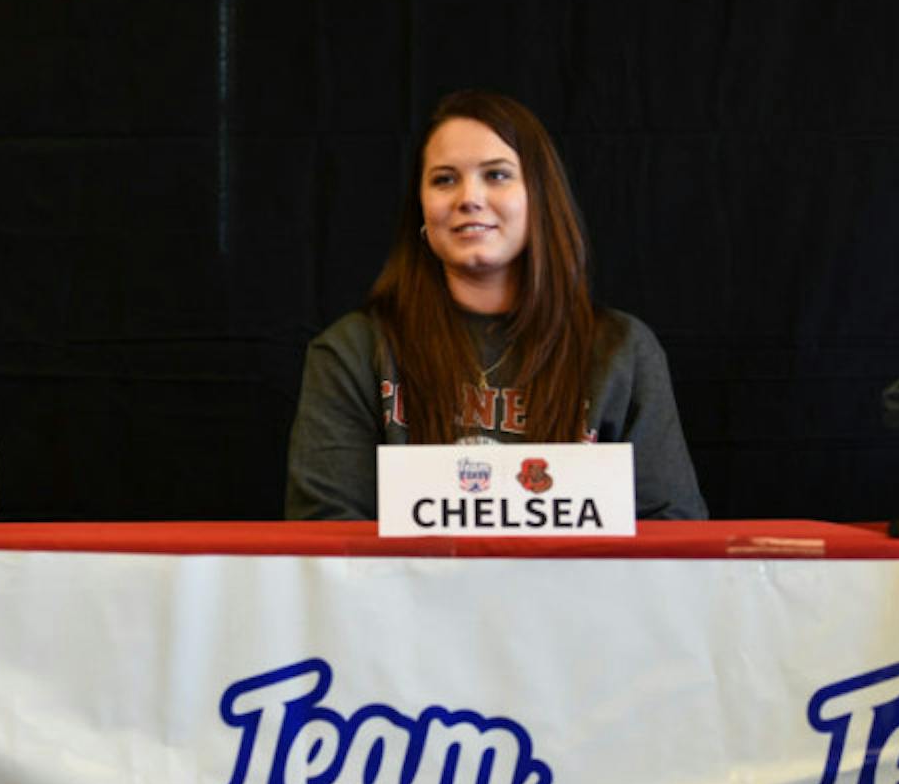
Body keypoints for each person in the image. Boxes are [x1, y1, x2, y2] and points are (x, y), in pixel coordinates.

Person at [286, 90, 707, 521]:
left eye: (497, 175)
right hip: (406, 591)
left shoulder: (622, 350)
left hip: (580, 591)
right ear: (422, 210)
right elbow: (325, 537)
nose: (469, 197)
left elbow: (673, 532)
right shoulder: (352, 351)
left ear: (540, 198)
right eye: (444, 179)